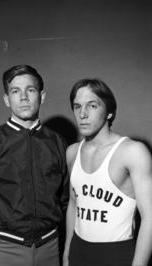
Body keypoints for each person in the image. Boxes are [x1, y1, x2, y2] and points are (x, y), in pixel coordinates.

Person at [0, 64, 69, 266]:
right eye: (15, 91)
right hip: (2, 246)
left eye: (31, 90)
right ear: (7, 99)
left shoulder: (58, 142)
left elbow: (65, 197)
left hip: (49, 247)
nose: (24, 97)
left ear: (42, 96)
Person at [63, 78, 152, 266]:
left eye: (92, 106)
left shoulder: (132, 152)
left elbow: (150, 217)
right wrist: (67, 251)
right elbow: (73, 204)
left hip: (116, 253)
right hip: (78, 250)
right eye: (77, 106)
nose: (83, 114)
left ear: (109, 112)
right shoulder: (72, 152)